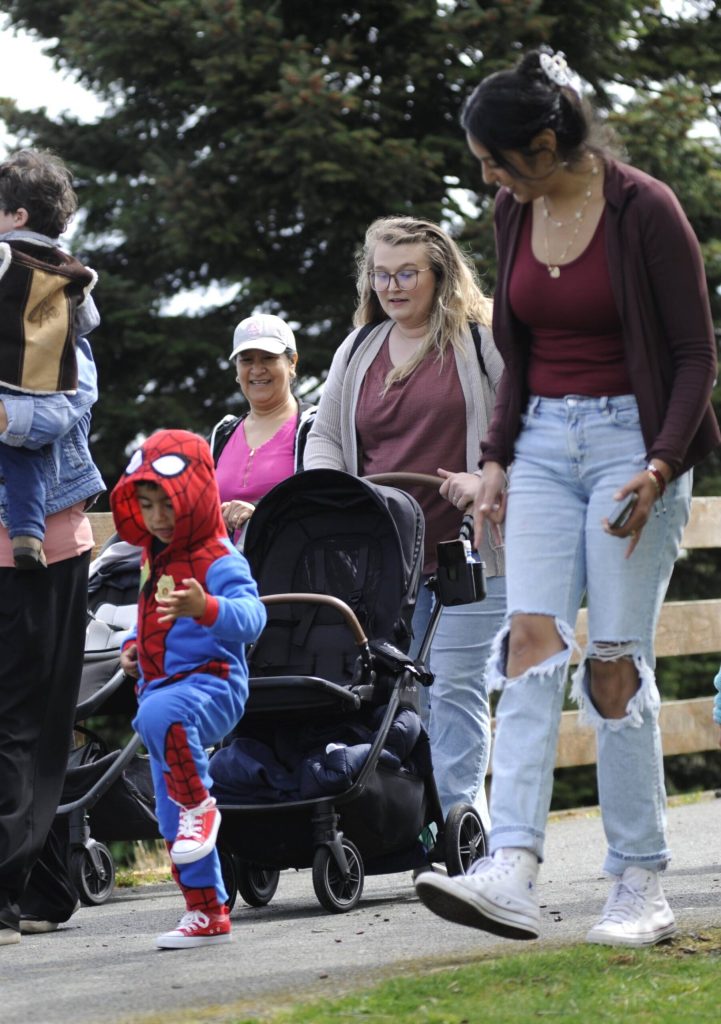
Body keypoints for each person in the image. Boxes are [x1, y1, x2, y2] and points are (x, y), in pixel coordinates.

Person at [414, 49, 720, 947]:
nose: (485, 177)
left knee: (613, 665)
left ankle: (638, 883)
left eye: (493, 159)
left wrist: (660, 466)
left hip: (638, 442)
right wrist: (497, 458)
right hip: (544, 442)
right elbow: (516, 348)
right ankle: (509, 866)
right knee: (529, 643)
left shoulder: (643, 208)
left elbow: (698, 358)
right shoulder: (515, 208)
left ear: (545, 142)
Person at [304, 215, 505, 830]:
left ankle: (464, 824)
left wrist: (489, 478)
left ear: (439, 274)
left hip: (468, 554)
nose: (392, 286)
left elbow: (528, 422)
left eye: (406, 273)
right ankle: (410, 828)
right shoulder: (360, 346)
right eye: (381, 274)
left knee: (454, 688)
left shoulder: (479, 340)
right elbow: (326, 438)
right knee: (394, 697)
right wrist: (330, 501)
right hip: (383, 563)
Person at [112, 428, 266, 949]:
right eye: (147, 505)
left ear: (196, 497)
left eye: (168, 505)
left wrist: (207, 608)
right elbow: (149, 615)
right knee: (167, 816)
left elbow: (253, 618)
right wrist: (133, 645)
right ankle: (207, 913)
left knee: (162, 725)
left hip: (214, 685)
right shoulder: (152, 557)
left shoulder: (218, 558)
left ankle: (204, 808)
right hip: (160, 692)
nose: (157, 518)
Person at [0, 238, 105, 941]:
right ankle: (41, 888)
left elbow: (62, 409)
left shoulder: (53, 308)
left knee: (25, 728)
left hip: (42, 556)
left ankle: (22, 889)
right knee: (22, 728)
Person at [0, 149, 98, 569]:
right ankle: (28, 531)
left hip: (10, 382)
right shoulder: (70, 272)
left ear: (18, 216)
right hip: (40, 379)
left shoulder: (5, 257)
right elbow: (88, 319)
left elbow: (67, 410)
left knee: (17, 444)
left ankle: (27, 532)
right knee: (24, 456)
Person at [210, 313, 316, 543]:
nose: (257, 370)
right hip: (223, 575)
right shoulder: (222, 433)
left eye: (268, 358)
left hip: (292, 570)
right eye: (246, 360)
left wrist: (260, 513)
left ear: (292, 363)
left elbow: (322, 501)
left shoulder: (314, 427)